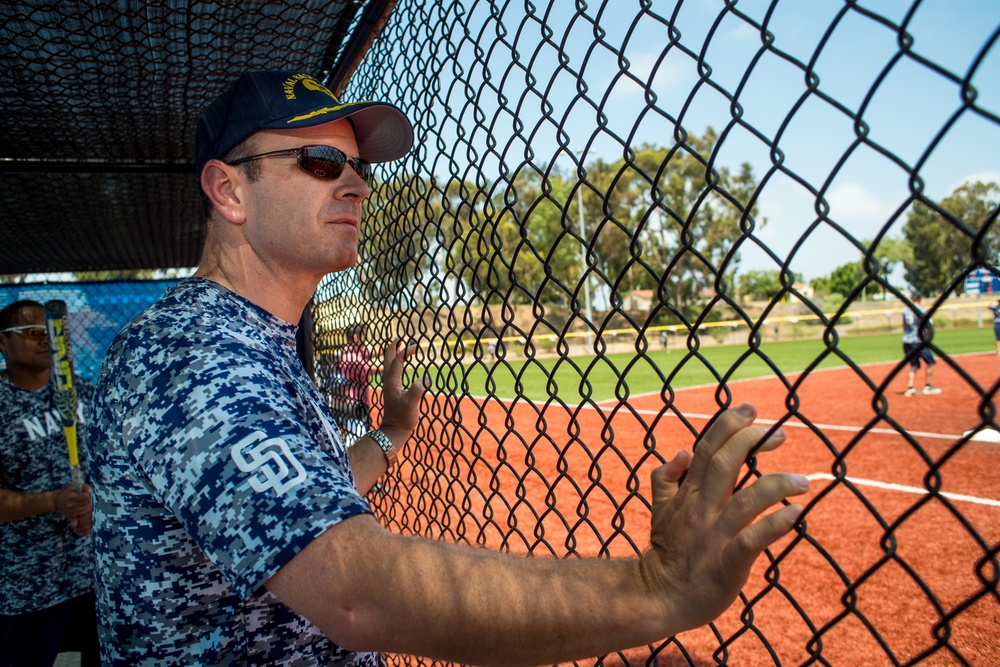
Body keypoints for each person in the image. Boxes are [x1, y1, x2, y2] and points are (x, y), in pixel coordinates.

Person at [88, 70, 809, 665]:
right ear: (228, 190)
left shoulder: (247, 336)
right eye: (319, 161)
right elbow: (356, 590)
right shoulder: (186, 350)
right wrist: (656, 588)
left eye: (359, 166)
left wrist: (393, 434)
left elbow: (296, 503)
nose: (356, 184)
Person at [0, 300, 100, 667]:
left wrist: (94, 508)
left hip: (93, 578)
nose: (45, 339)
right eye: (31, 332)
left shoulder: (83, 393)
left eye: (51, 332)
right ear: (2, 343)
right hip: (25, 588)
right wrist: (52, 501)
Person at [902, 294, 942, 396]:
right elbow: (928, 326)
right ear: (920, 299)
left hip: (907, 340)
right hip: (919, 341)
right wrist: (927, 338)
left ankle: (910, 388)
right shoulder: (922, 310)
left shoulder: (905, 310)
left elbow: (904, 326)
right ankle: (928, 386)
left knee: (914, 364)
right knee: (930, 362)